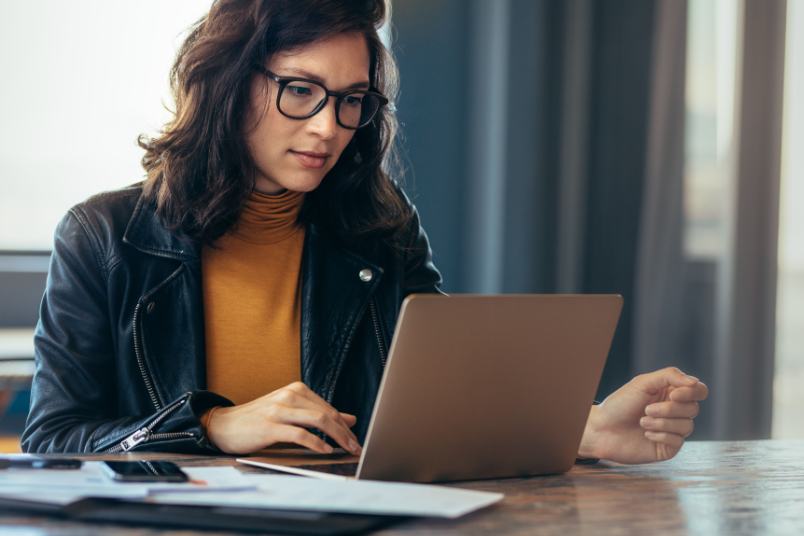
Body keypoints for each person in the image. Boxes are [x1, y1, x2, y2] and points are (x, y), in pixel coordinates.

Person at [22, 0, 707, 465]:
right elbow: (54, 441)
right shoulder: (105, 236)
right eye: (300, 90)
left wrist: (583, 429)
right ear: (228, 83)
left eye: (352, 100)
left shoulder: (379, 226)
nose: (328, 127)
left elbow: (442, 404)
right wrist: (210, 427)